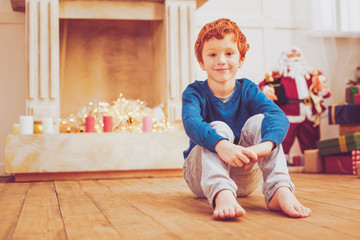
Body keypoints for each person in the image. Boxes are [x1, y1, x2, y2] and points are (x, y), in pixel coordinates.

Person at [182, 18, 311, 220]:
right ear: (202, 61)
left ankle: (279, 189)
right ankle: (221, 193)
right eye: (212, 54)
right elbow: (192, 123)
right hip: (201, 178)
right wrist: (220, 145)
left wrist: (265, 146)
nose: (221, 60)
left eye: (229, 53)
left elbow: (278, 116)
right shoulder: (194, 92)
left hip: (245, 175)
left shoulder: (249, 89)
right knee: (217, 127)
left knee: (262, 121)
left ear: (241, 59)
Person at [258, 47, 330, 165]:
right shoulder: (276, 76)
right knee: (284, 139)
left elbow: (325, 94)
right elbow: (261, 88)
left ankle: (310, 163)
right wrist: (267, 90)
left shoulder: (312, 75)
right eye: (291, 56)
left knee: (311, 140)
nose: (295, 59)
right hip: (288, 113)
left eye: (297, 56)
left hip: (309, 113)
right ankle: (282, 163)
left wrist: (320, 87)